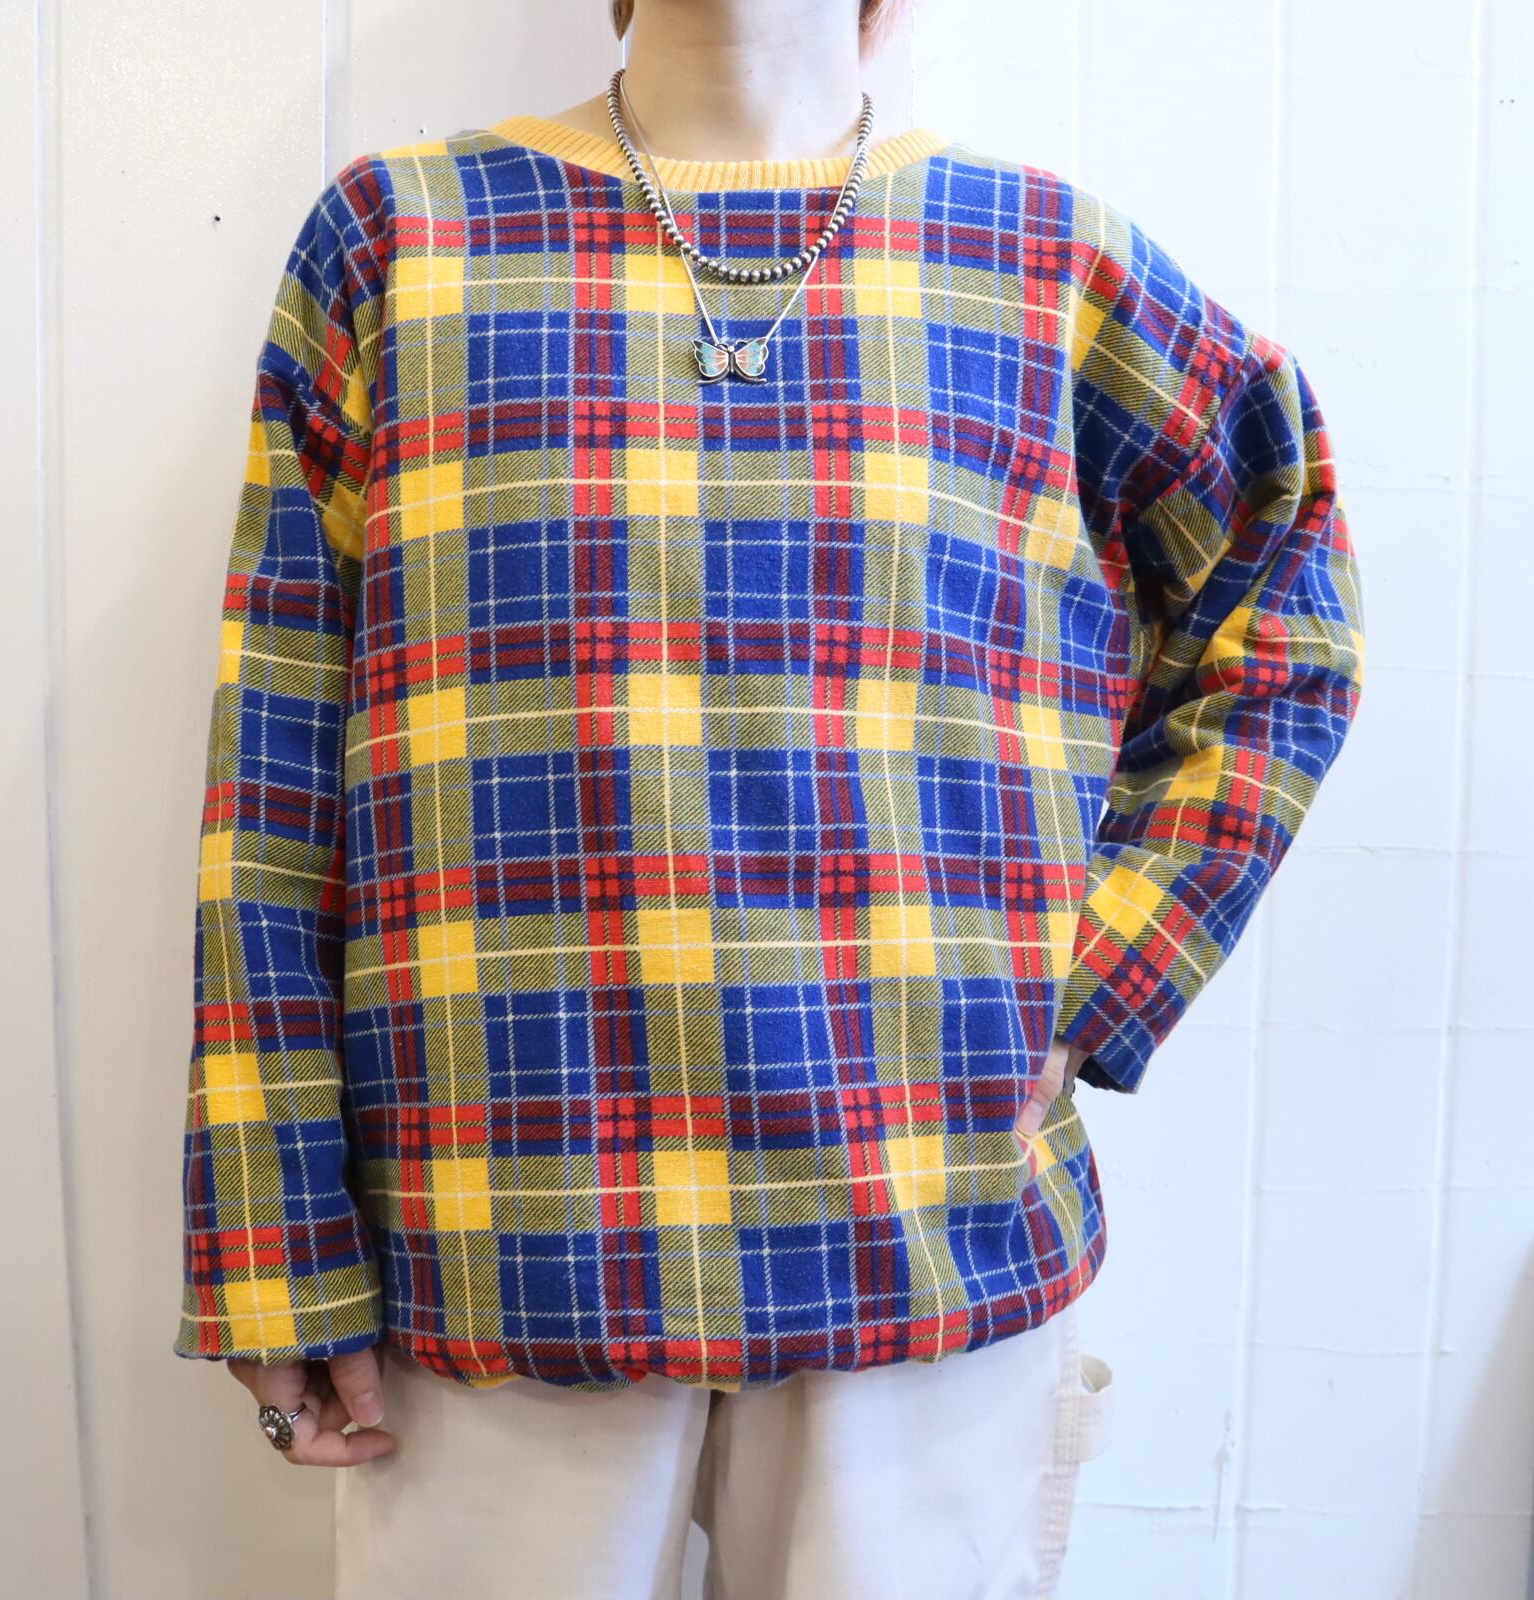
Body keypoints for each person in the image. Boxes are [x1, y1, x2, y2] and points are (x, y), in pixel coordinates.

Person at [171, 0, 1366, 1593]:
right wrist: (272, 1240)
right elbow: (278, 759)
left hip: (928, 1216)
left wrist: (1095, 981)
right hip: (498, 1221)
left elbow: (1282, 603)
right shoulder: (401, 238)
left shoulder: (1047, 263)